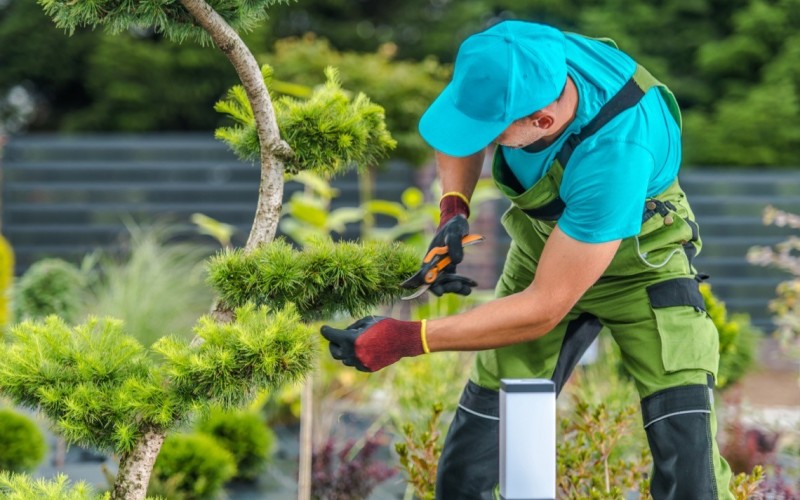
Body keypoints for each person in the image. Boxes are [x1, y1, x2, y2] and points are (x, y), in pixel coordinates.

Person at [321, 19, 734, 500]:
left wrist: (407, 338)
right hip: (545, 251)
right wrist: (453, 208)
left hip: (641, 267)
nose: (486, 139)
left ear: (542, 121)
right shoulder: (520, 58)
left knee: (691, 469)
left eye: (495, 133)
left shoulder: (616, 151)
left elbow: (543, 308)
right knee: (470, 469)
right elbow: (463, 128)